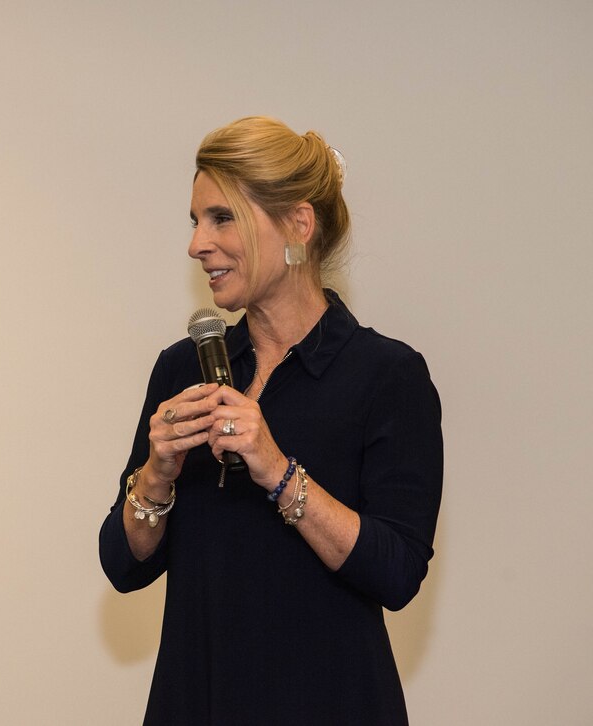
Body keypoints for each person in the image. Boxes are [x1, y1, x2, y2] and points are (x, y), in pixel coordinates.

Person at [98, 116, 443, 725]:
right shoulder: (182, 368)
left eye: (221, 218)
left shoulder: (387, 375)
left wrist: (281, 474)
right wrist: (155, 475)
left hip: (330, 705)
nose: (197, 244)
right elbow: (124, 565)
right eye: (195, 221)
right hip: (197, 701)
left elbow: (397, 573)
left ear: (298, 225)